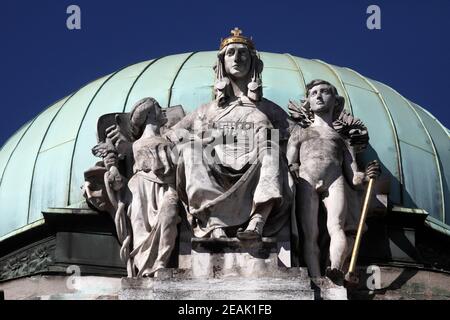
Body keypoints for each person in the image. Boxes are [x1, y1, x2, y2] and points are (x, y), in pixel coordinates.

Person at [166, 28, 292, 240]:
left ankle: (257, 221)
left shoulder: (267, 108)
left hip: (256, 161)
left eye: (243, 53)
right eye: (230, 53)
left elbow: (298, 135)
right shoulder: (207, 110)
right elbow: (172, 133)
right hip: (214, 160)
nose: (237, 58)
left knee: (271, 149)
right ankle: (215, 225)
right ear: (222, 62)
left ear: (253, 62)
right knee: (190, 151)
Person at [286, 80, 380, 283]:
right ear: (308, 103)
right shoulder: (299, 134)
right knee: (310, 233)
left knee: (336, 226)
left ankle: (335, 267)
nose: (318, 96)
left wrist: (365, 175)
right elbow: (290, 164)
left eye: (324, 92)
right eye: (313, 93)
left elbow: (353, 175)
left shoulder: (342, 139)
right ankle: (315, 277)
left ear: (335, 101)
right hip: (305, 180)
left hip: (335, 179)